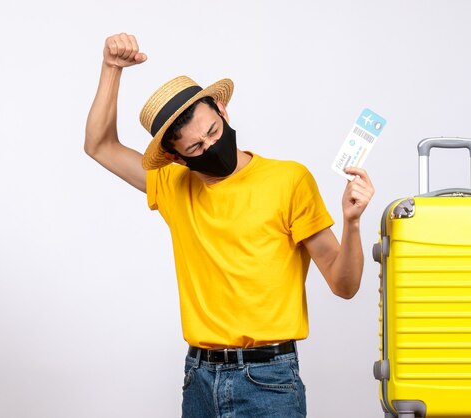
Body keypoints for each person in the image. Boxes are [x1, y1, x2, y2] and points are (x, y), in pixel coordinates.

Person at [84, 33, 374, 418]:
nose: (210, 147)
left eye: (213, 133)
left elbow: (344, 284)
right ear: (175, 156)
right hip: (199, 378)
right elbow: (99, 145)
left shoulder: (288, 180)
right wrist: (111, 69)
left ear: (222, 110)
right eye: (195, 148)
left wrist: (352, 223)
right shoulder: (173, 184)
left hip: (268, 381)